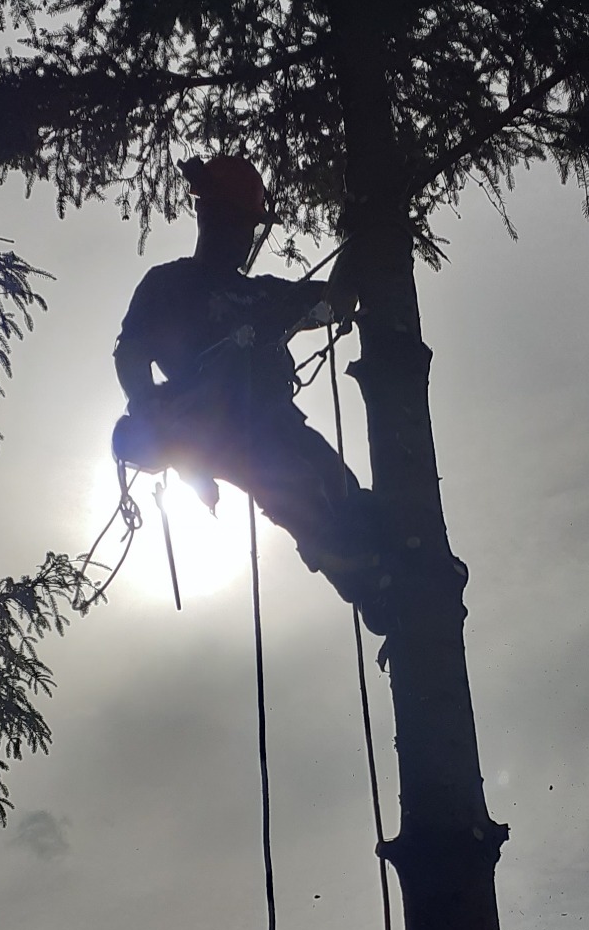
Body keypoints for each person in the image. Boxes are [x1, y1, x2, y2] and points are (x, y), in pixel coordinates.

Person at [112, 154, 385, 626]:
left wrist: (362, 238)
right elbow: (131, 354)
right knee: (294, 487)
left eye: (246, 227)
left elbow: (335, 301)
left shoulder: (264, 296)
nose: (242, 237)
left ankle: (385, 574)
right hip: (217, 430)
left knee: (341, 489)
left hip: (275, 419)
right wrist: (149, 407)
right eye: (235, 223)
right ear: (207, 217)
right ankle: (364, 580)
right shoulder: (168, 286)